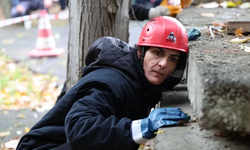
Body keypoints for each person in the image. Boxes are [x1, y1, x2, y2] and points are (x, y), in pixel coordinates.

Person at [16, 16, 190, 150]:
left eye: (173, 58)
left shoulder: (142, 76)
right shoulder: (111, 84)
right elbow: (79, 129)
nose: (164, 64)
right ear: (140, 52)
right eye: (158, 53)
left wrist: (180, 40)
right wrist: (144, 126)